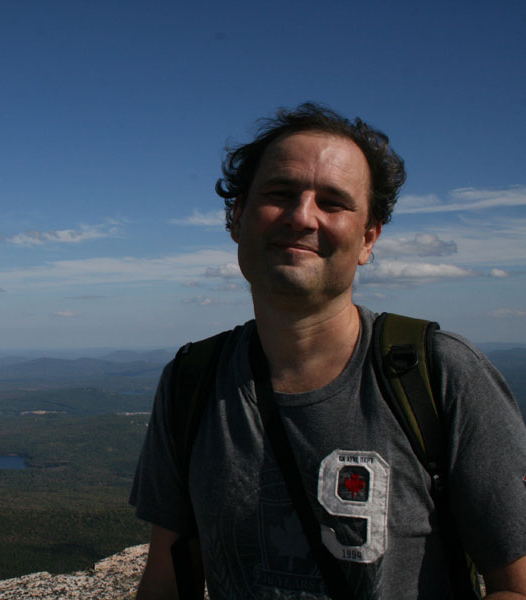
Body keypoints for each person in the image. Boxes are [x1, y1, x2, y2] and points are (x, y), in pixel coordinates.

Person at [130, 102, 526, 599]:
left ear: (368, 239)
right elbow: (167, 579)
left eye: (333, 202)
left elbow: (516, 585)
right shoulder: (192, 379)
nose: (302, 216)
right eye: (279, 193)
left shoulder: (440, 373)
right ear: (236, 218)